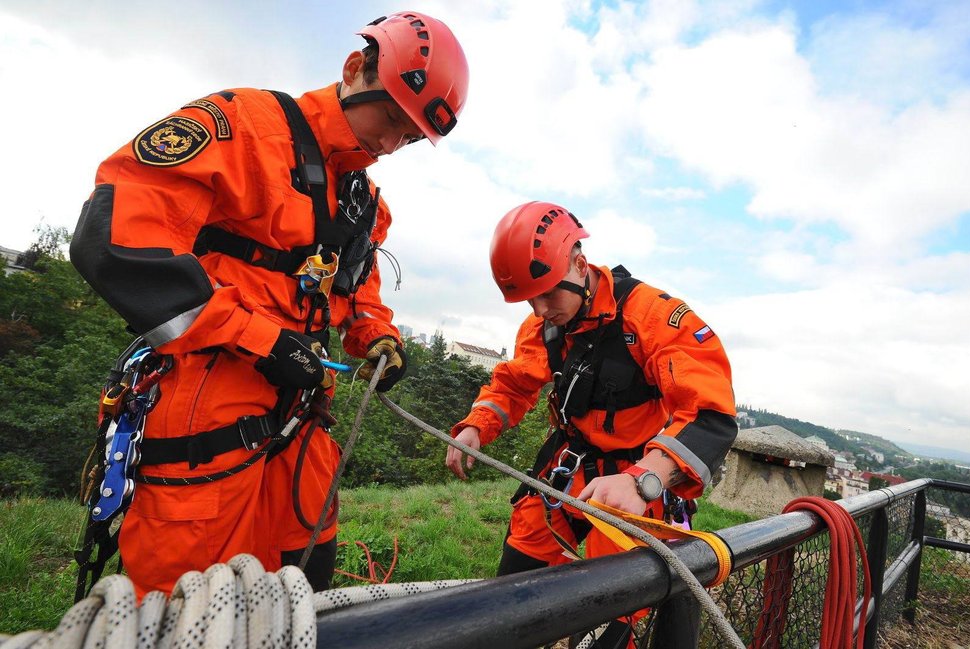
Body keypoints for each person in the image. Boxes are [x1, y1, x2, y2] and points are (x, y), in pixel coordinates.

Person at [70, 11, 468, 598]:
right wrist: (262, 341)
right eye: (390, 120)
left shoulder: (363, 201)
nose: (389, 145)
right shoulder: (244, 126)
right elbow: (114, 238)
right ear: (355, 69)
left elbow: (354, 291)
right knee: (194, 604)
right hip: (208, 413)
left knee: (303, 587)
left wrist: (378, 338)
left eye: (408, 138)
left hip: (303, 422)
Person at [446, 201, 737, 646]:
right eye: (529, 298)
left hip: (631, 483)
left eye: (546, 293)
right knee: (511, 592)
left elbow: (709, 411)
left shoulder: (654, 317)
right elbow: (515, 384)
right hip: (566, 470)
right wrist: (477, 425)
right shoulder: (544, 325)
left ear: (580, 264)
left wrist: (645, 481)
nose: (540, 309)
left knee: (611, 616)